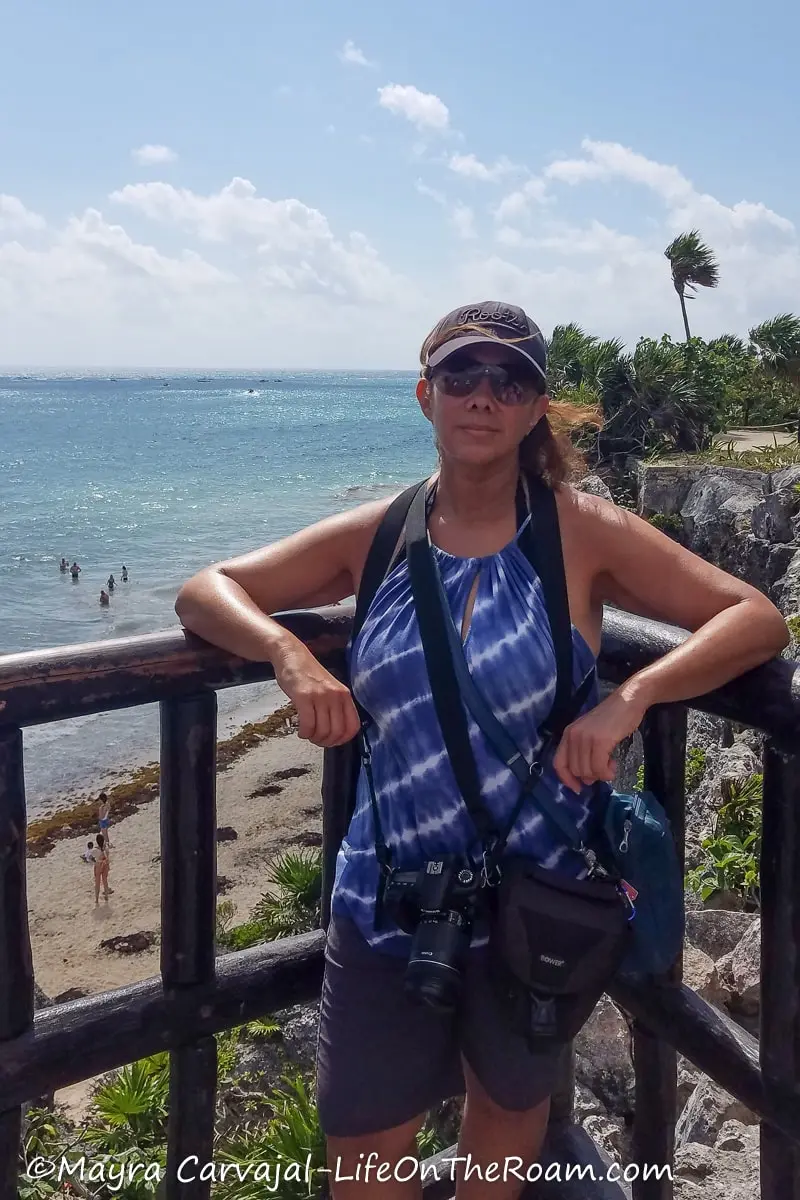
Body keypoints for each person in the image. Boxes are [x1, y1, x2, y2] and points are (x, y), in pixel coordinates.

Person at [174, 300, 789, 1197]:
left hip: (530, 913)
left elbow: (755, 617)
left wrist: (631, 698)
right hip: (387, 897)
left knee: (500, 1159)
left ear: (537, 407)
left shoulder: (575, 530)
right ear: (426, 395)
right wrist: (290, 657)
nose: (483, 397)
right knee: (364, 1170)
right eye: (462, 376)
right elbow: (207, 589)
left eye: (511, 381)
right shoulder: (380, 535)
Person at [90, 832, 112, 904]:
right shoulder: (105, 848)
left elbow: (90, 858)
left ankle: (96, 899)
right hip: (105, 864)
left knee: (97, 882)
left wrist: (95, 862)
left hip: (99, 865)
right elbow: (108, 857)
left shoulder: (95, 850)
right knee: (105, 881)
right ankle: (106, 896)